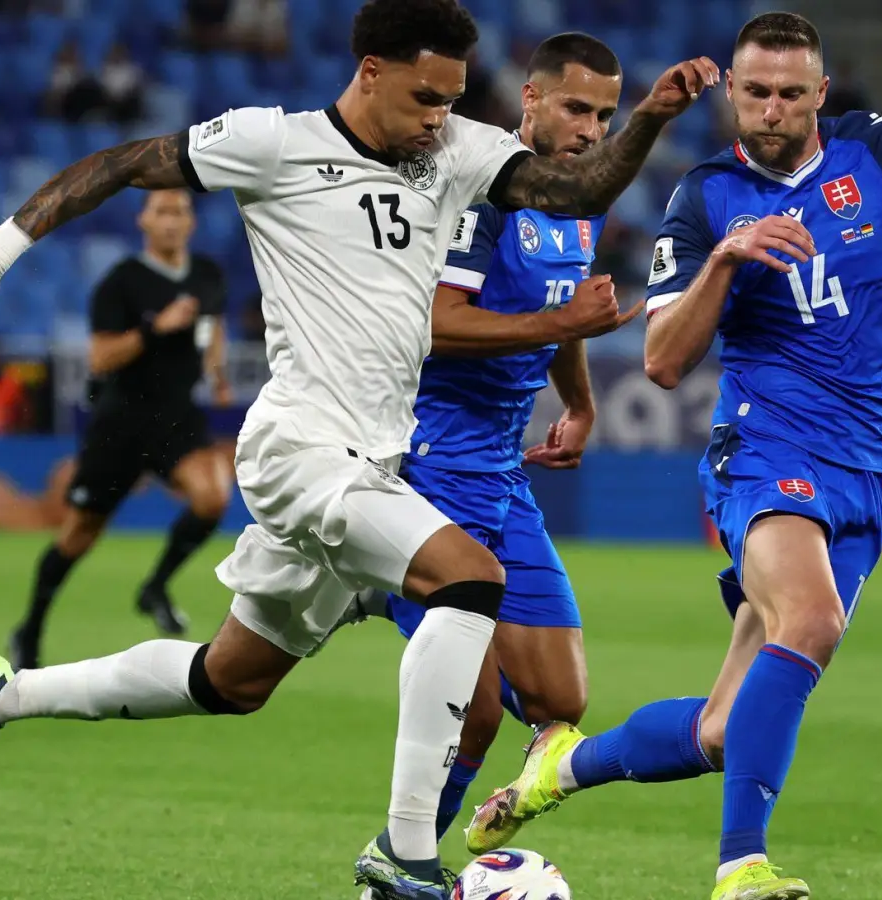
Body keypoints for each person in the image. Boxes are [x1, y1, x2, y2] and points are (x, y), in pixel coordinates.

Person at [0, 1, 717, 897]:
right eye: (423, 97)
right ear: (370, 71)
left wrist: (649, 119)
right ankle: (403, 857)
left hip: (378, 459)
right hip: (299, 448)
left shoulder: (458, 150)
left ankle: (0, 695)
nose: (438, 118)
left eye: (450, 100)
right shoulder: (271, 143)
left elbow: (580, 192)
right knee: (469, 578)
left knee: (229, 680)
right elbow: (122, 163)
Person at [464, 13, 882, 900]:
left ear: (821, 95)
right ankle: (740, 868)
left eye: (791, 94)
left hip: (872, 466)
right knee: (812, 622)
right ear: (731, 90)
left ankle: (559, 770)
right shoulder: (703, 201)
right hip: (766, 448)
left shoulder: (881, 154)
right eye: (755, 92)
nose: (771, 111)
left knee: (726, 730)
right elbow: (662, 359)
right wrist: (727, 259)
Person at [315, 31, 639, 841]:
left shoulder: (579, 204)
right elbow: (433, 321)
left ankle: (376, 589)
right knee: (477, 714)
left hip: (501, 473)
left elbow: (562, 315)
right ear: (530, 100)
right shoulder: (484, 195)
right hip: (425, 463)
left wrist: (581, 402)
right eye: (575, 107)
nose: (592, 129)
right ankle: (402, 870)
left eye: (605, 114)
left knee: (562, 705)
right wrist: (562, 320)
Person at [10, 188, 233, 669]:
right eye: (162, 212)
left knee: (213, 496)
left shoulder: (208, 275)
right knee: (79, 534)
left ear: (191, 222)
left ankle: (154, 587)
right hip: (123, 421)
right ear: (144, 223)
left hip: (178, 418)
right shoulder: (121, 283)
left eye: (180, 211)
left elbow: (213, 328)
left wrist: (217, 374)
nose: (172, 221)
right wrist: (157, 327)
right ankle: (29, 628)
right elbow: (101, 357)